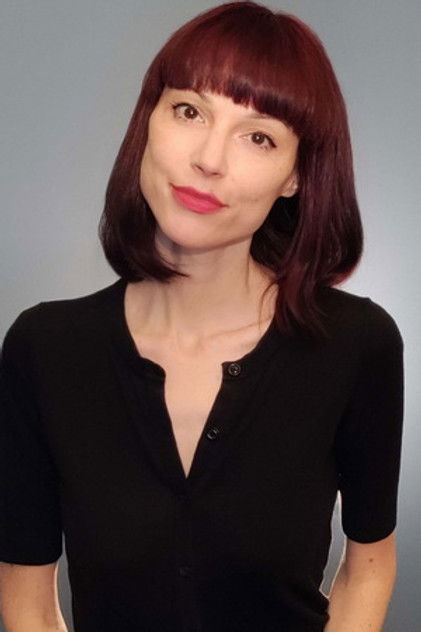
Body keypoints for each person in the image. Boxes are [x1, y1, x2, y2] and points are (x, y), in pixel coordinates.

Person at [0, 2, 404, 631]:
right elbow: (26, 592)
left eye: (259, 136)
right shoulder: (44, 348)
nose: (209, 159)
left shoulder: (356, 344)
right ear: (149, 120)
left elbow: (369, 567)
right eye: (190, 111)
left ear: (296, 176)